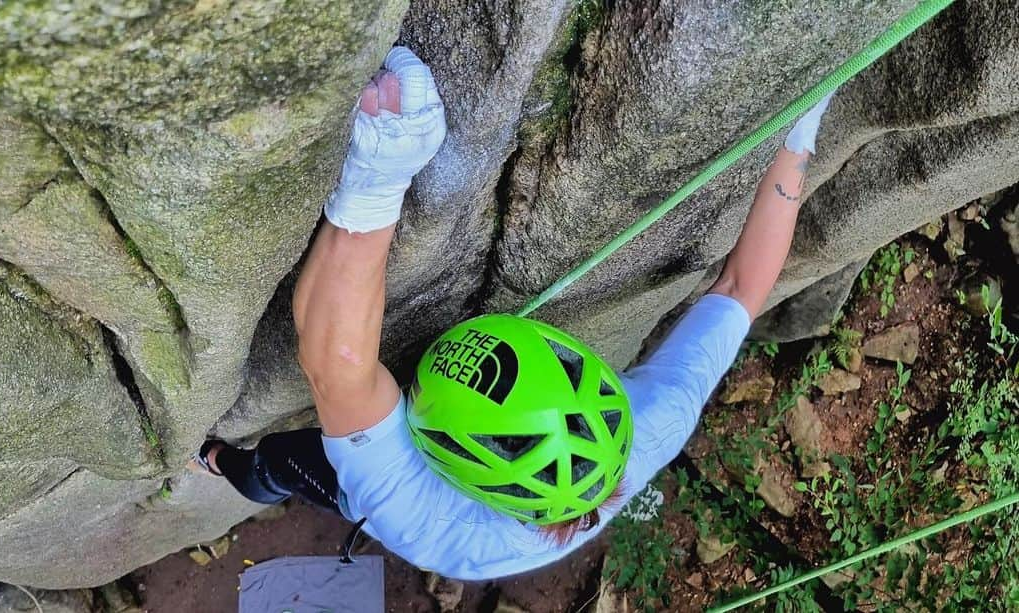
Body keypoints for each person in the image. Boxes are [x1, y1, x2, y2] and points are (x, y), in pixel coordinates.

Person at [192, 46, 835, 580]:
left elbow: (336, 364)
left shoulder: (419, 514)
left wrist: (379, 172)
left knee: (275, 465)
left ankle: (218, 464)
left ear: (449, 455)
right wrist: (800, 133)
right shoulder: (651, 426)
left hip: (397, 504)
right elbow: (743, 287)